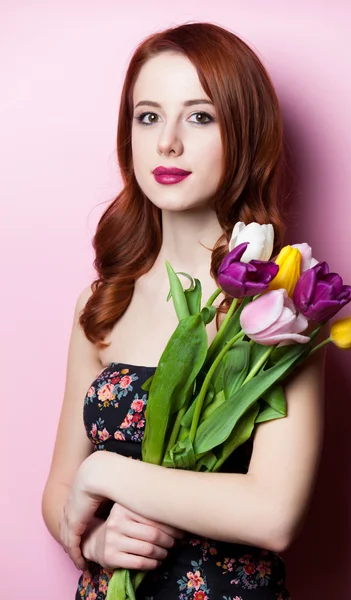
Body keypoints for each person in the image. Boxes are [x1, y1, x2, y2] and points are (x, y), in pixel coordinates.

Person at [42, 21, 327, 600]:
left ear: (243, 134)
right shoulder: (101, 304)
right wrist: (95, 542)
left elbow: (273, 514)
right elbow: (59, 492)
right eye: (148, 116)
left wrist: (107, 474)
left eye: (200, 116)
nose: (167, 142)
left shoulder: (281, 304)